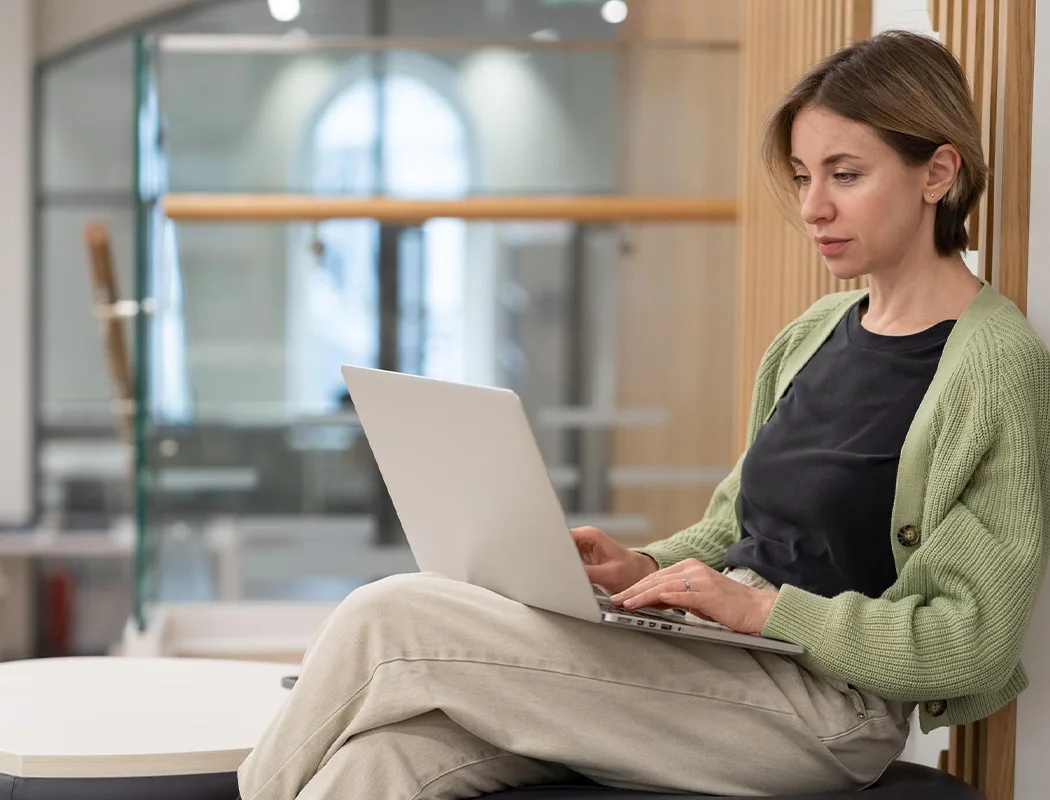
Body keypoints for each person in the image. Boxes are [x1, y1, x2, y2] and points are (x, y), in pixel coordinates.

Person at [237, 30, 1050, 800]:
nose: (812, 208)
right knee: (388, 758)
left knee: (391, 617)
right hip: (722, 663)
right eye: (803, 176)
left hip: (824, 712)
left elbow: (969, 639)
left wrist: (764, 610)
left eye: (845, 174)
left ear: (936, 173)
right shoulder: (813, 335)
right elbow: (739, 527)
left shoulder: (993, 365)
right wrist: (643, 567)